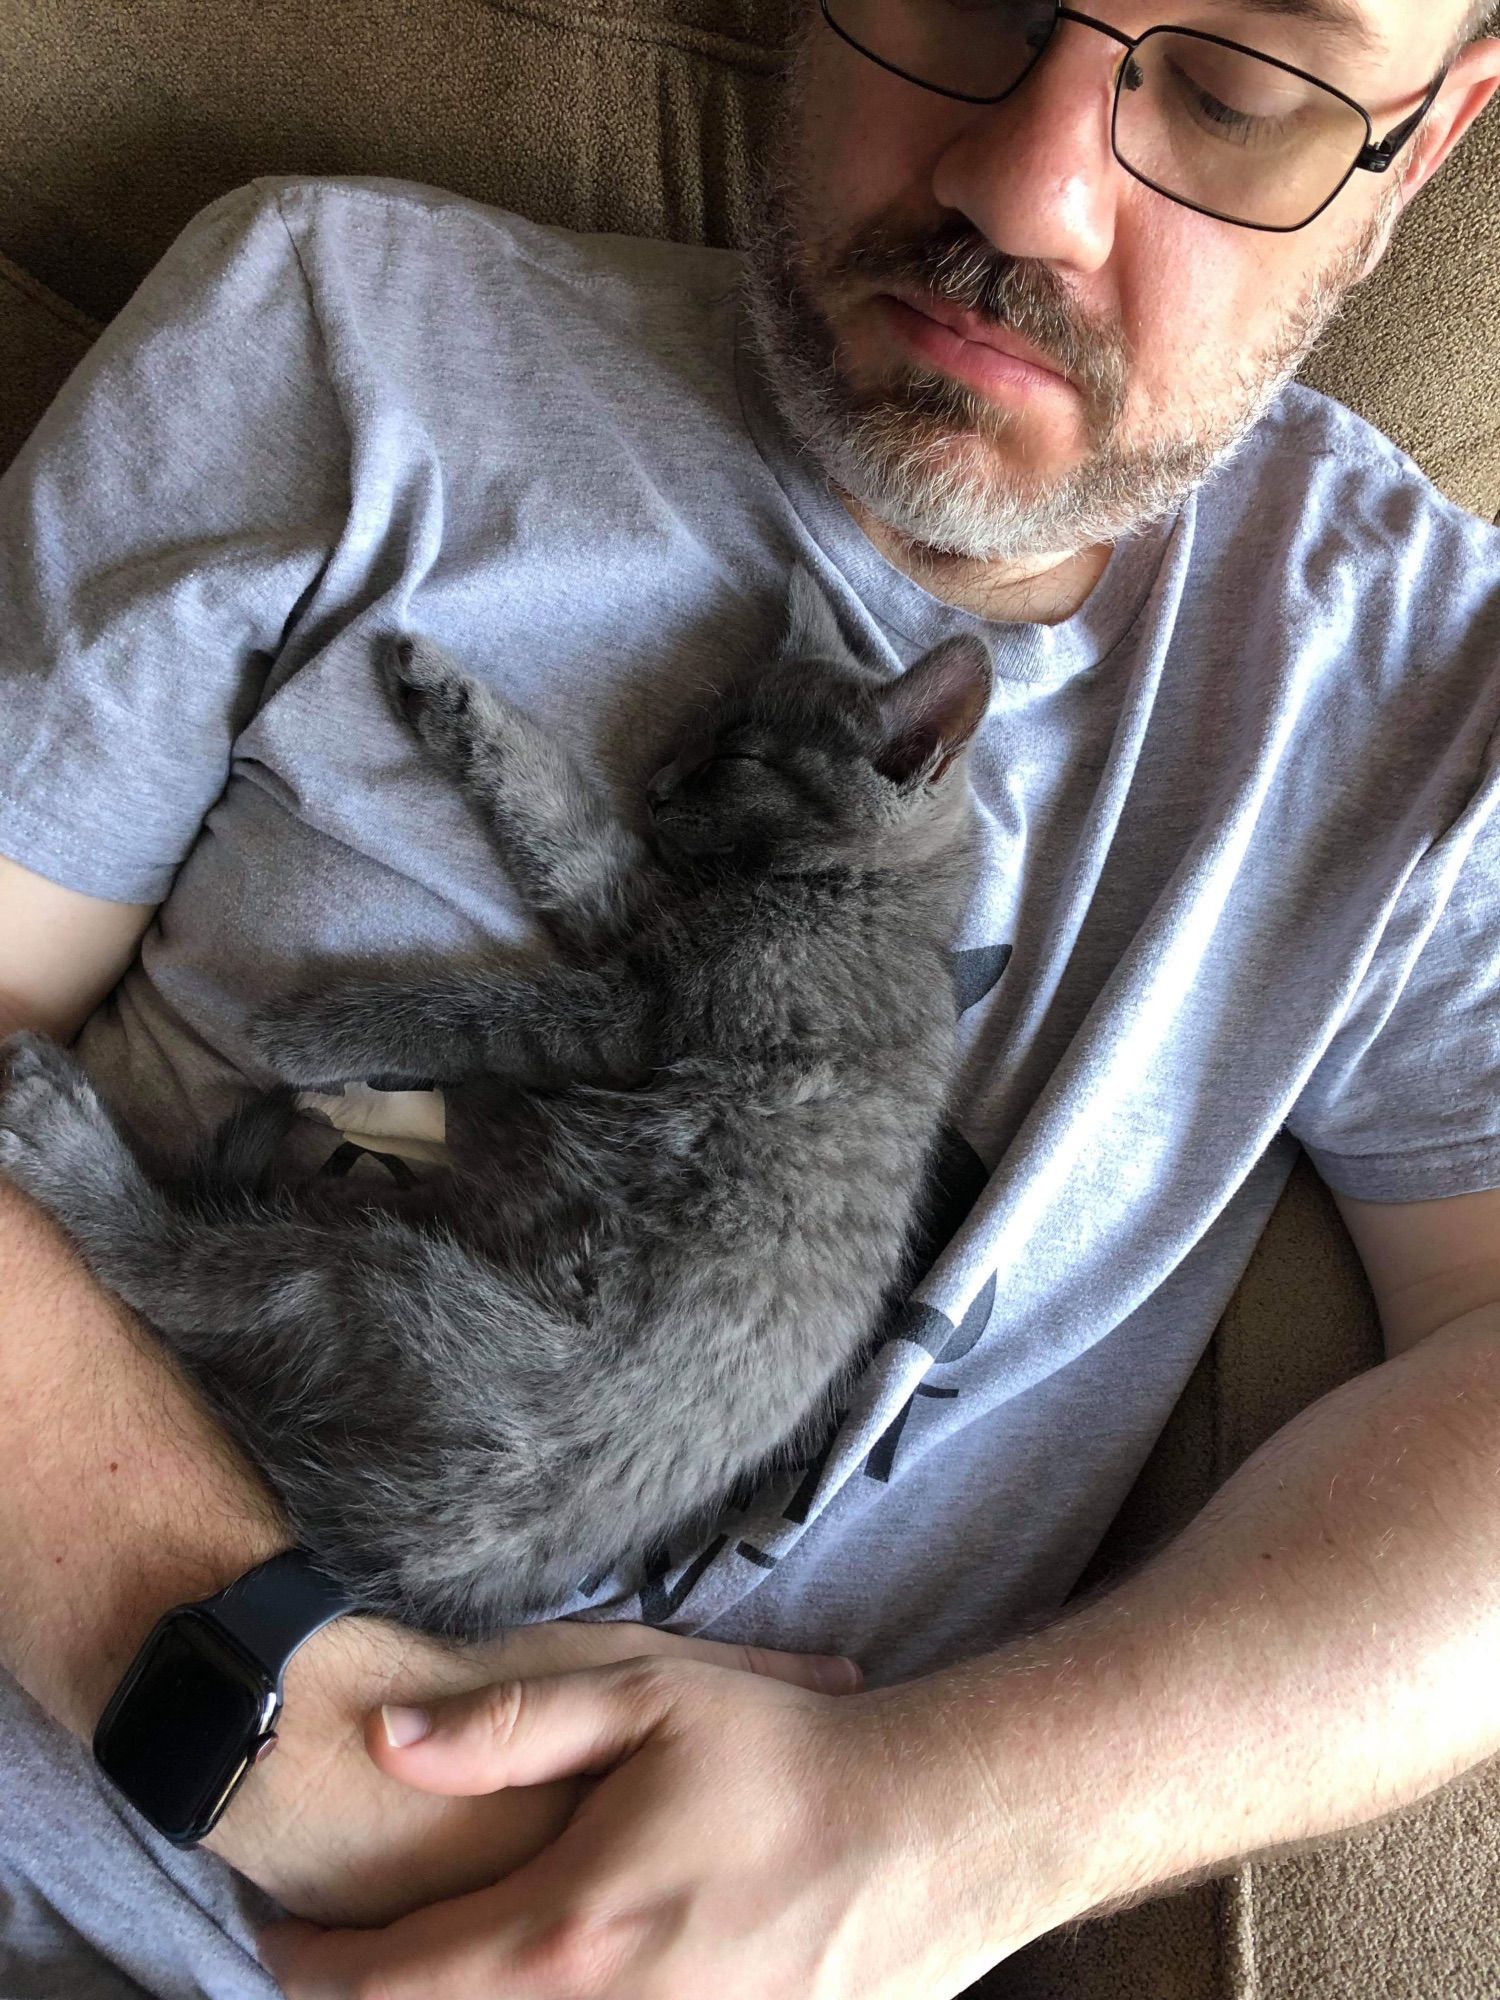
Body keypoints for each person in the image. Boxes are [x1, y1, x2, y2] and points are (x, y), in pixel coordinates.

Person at [2, 0, 1499, 1991]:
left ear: (1420, 148)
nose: (1026, 188)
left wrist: (937, 1828)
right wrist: (281, 1734)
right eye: (963, 1)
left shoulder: (1415, 710)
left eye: (1232, 93)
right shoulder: (338, 329)